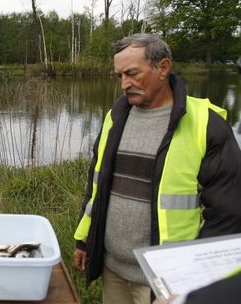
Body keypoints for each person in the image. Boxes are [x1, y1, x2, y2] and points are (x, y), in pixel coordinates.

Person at [72, 33, 241, 304]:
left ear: (163, 67)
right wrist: (84, 240)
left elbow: (228, 214)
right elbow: (97, 186)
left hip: (166, 282)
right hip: (113, 270)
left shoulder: (206, 125)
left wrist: (198, 283)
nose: (125, 84)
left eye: (132, 73)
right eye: (119, 76)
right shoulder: (115, 116)